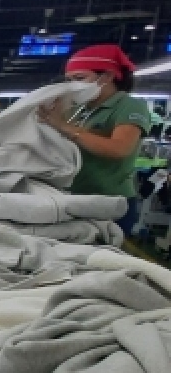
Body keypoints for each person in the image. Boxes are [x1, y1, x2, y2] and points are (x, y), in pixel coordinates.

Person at [39, 43, 153, 235]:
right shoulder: (79, 109)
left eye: (80, 78)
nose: (73, 85)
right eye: (69, 80)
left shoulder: (130, 105)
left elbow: (119, 149)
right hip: (73, 196)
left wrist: (64, 127)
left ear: (107, 76)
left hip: (109, 202)